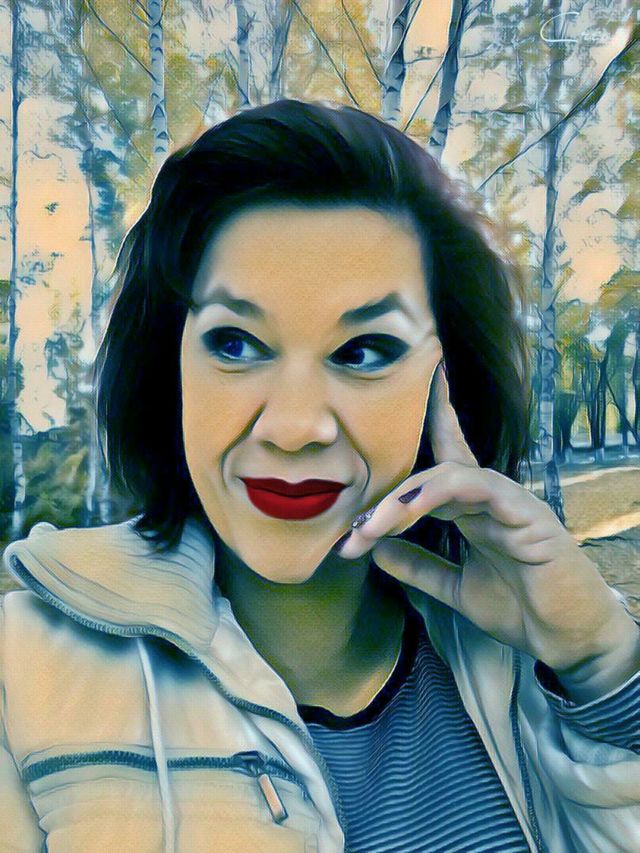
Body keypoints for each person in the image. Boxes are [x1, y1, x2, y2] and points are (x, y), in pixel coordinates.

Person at [1, 99, 639, 853]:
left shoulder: (536, 661)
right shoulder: (21, 675)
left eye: (363, 351)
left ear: (445, 382)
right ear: (170, 368)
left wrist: (601, 662)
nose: (295, 426)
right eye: (235, 343)